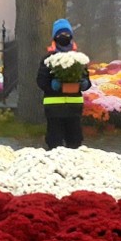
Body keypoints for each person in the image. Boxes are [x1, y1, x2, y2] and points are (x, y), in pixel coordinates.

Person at [36, 19, 91, 149]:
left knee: (75, 142)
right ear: (55, 37)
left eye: (66, 34)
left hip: (74, 108)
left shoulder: (78, 59)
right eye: (60, 34)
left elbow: (87, 79)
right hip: (54, 108)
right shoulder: (48, 59)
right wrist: (52, 85)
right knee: (54, 143)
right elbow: (40, 80)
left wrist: (84, 83)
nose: (63, 37)